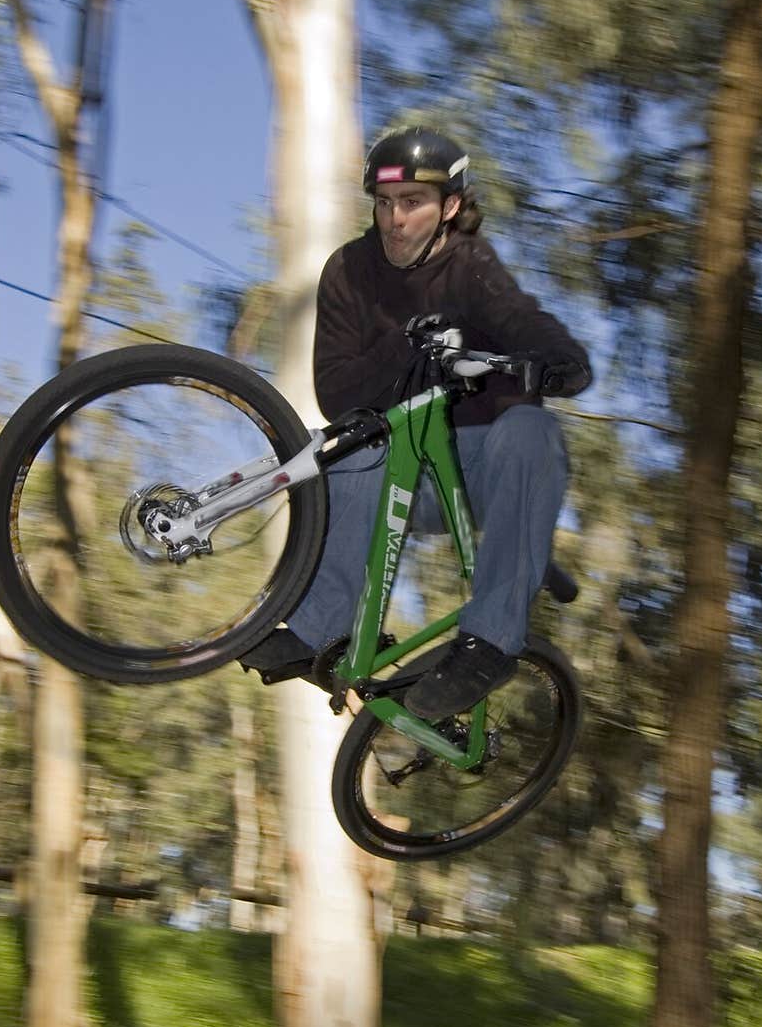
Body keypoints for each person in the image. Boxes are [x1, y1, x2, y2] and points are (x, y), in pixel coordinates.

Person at [239, 125, 592, 719]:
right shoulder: (349, 271)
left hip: (482, 469)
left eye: (412, 204)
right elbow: (337, 393)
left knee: (533, 431)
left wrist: (563, 363)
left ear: (450, 207)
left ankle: (490, 644)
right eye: (383, 203)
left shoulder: (469, 266)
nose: (394, 220)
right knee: (351, 444)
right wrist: (410, 343)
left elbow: (524, 320)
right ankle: (319, 630)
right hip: (405, 473)